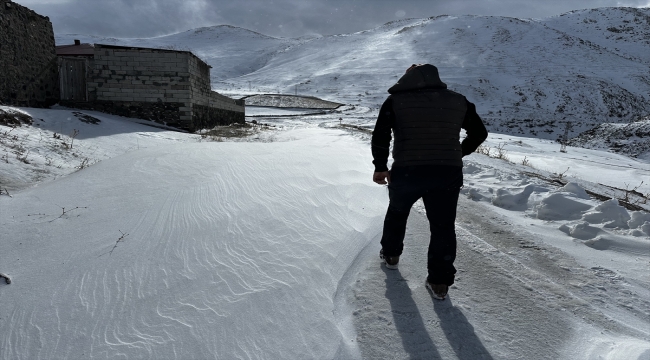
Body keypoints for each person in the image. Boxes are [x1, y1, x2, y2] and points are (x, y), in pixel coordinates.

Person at [371, 64, 488, 300]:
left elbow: (381, 134)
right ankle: (439, 282)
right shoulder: (458, 100)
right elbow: (479, 133)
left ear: (408, 78)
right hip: (446, 172)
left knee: (397, 212)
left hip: (407, 170)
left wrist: (380, 167)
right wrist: (458, 152)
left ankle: (391, 256)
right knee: (443, 225)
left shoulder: (396, 101)